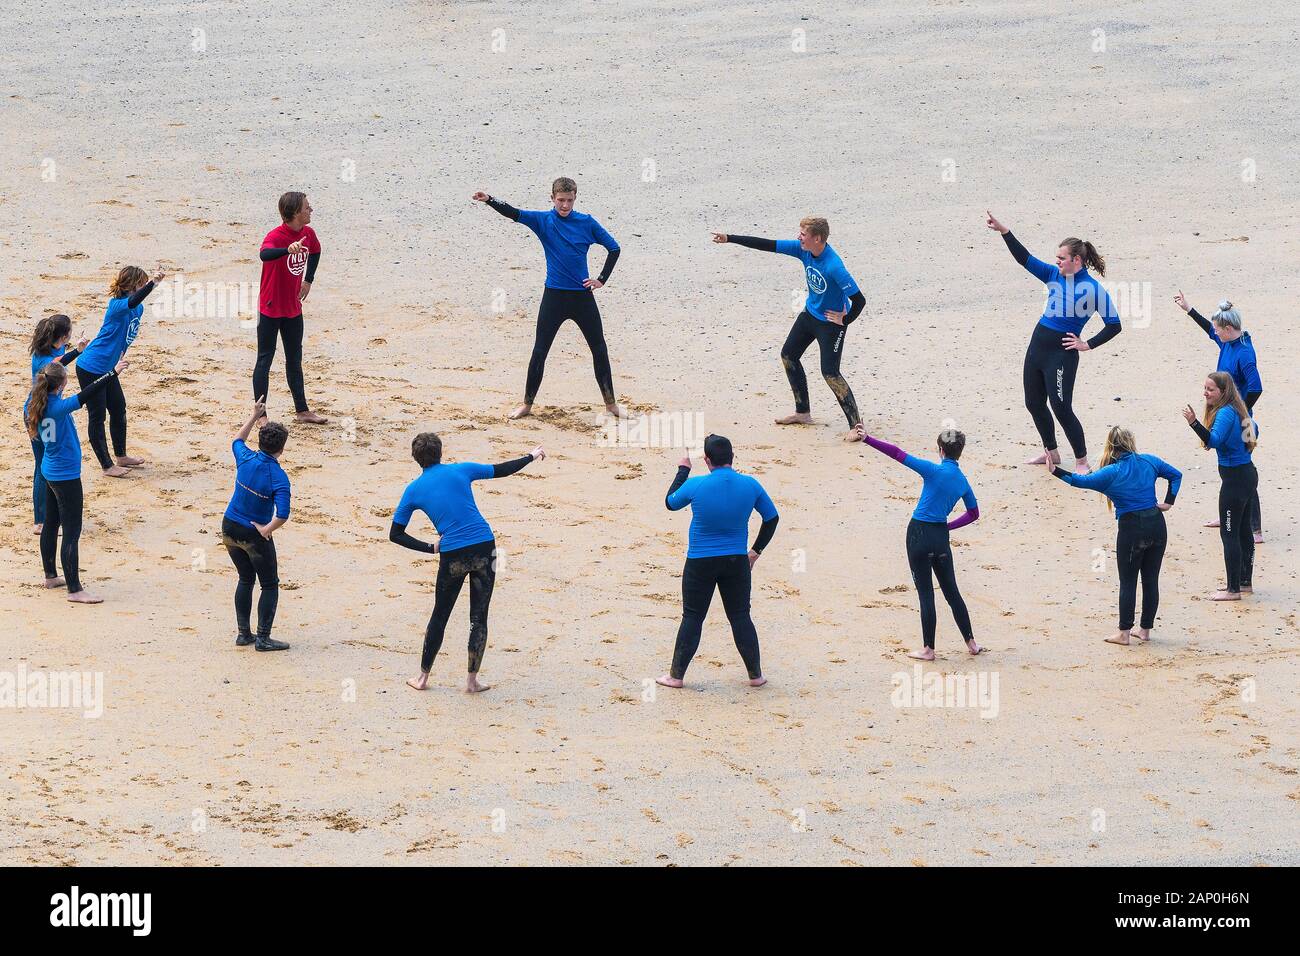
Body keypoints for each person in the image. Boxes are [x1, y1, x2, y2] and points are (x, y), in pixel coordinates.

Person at [389, 433, 545, 693]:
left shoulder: (413, 490)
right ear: (441, 452)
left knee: (440, 615)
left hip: (453, 555)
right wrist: (531, 456)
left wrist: (429, 547)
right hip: (485, 547)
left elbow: (395, 534)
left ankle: (422, 678)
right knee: (479, 617)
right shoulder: (462, 470)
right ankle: (472, 682)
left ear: (416, 459)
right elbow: (502, 470)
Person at [471, 178, 623, 420]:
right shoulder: (543, 221)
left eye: (569, 200)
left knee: (599, 349)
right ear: (552, 198)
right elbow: (514, 213)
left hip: (583, 297)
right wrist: (490, 200)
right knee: (540, 350)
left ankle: (611, 405)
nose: (565, 205)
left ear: (575, 198)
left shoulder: (587, 223)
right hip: (553, 296)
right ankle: (527, 405)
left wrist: (601, 279)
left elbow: (614, 248)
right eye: (561, 200)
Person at [986, 211, 1122, 473]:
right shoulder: (1053, 275)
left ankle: (1081, 461)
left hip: (1061, 353)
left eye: (1061, 258)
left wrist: (1088, 344)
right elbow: (1024, 259)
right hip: (1038, 346)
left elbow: (1114, 324)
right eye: (1057, 258)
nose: (1056, 261)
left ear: (1077, 260)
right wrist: (1005, 232)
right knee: (1033, 402)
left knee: (1061, 407)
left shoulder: (1093, 289)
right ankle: (1052, 452)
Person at [711, 220, 866, 440]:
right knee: (789, 355)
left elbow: (859, 300)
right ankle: (802, 412)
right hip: (810, 314)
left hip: (831, 324)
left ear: (818, 239)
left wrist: (845, 319)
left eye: (803, 234)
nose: (799, 236)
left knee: (830, 373)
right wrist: (730, 238)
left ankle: (856, 426)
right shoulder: (802, 249)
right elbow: (768, 244)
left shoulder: (834, 266)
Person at [656, 434, 778, 688]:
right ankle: (756, 676)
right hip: (736, 561)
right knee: (741, 616)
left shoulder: (697, 485)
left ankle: (676, 676)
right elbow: (772, 518)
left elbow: (670, 502)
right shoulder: (751, 484)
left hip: (700, 561)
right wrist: (755, 551)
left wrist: (683, 470)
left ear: (706, 459)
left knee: (692, 617)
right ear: (733, 458)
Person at [854, 424, 983, 660]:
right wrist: (948, 525)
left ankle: (928, 649)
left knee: (926, 593)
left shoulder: (932, 470)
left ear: (941, 450)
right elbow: (974, 513)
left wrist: (868, 439)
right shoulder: (963, 482)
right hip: (940, 537)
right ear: (959, 452)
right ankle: (972, 643)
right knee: (952, 592)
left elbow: (897, 454)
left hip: (918, 535)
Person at [1045, 426, 1181, 646]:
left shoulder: (1111, 472)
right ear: (1131, 442)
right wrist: (1169, 501)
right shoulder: (1149, 461)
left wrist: (1055, 471)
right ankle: (1145, 630)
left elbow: (1080, 482)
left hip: (1132, 529)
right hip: (1157, 524)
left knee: (1128, 582)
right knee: (1150, 580)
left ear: (1111, 446)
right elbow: (1176, 475)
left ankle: (1124, 633)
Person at [24, 358, 131, 604]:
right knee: (71, 532)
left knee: (51, 523)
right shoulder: (57, 408)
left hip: (49, 469)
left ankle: (50, 575)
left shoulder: (34, 404)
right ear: (60, 386)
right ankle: (74, 589)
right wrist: (112, 372)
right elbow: (88, 393)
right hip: (65, 476)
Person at [1174, 293, 1263, 543]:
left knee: (1244, 468)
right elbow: (1208, 330)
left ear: (1229, 328)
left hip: (1244, 421)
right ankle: (1229, 514)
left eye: (1218, 328)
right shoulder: (1227, 342)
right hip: (1229, 415)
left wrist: (1239, 410)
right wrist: (1189, 309)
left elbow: (1256, 387)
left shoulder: (1244, 353)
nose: (1215, 332)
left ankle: (1255, 528)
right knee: (1227, 466)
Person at [76, 266, 163, 477]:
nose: (144, 287)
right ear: (132, 286)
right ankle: (107, 466)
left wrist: (120, 354)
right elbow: (131, 302)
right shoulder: (116, 306)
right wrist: (153, 283)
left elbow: (127, 333)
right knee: (97, 417)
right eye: (141, 283)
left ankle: (121, 455)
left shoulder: (138, 309)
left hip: (109, 367)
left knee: (118, 408)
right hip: (91, 367)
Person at [221, 399, 292, 651]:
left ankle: (243, 634)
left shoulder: (246, 457)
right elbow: (282, 514)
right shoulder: (279, 477)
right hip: (253, 533)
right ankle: (262, 638)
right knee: (270, 584)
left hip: (229, 526)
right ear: (281, 449)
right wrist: (267, 529)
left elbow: (236, 440)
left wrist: (253, 416)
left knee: (245, 578)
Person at [1182, 372, 1257, 601]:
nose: (1206, 393)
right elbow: (1254, 433)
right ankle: (1245, 583)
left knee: (1229, 533)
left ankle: (1232, 589)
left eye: (1211, 389)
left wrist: (1194, 423)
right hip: (1248, 474)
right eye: (1204, 388)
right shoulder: (1241, 409)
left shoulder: (1225, 413)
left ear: (1223, 392)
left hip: (1234, 480)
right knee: (1244, 531)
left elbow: (1213, 441)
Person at [255, 191, 327, 425]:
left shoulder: (308, 233)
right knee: (265, 360)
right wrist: (288, 250)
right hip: (270, 307)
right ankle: (261, 415)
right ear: (295, 213)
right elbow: (264, 254)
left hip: (293, 308)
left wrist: (309, 280)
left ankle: (302, 411)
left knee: (294, 359)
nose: (311, 210)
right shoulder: (276, 236)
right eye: (307, 207)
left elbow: (316, 251)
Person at [25, 314, 88, 533]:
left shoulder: (52, 345)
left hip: (46, 410)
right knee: (43, 464)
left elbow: (61, 356)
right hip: (40, 414)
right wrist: (77, 352)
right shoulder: (44, 361)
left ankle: (49, 515)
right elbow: (58, 363)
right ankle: (40, 520)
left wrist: (75, 347)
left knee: (48, 461)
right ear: (62, 336)